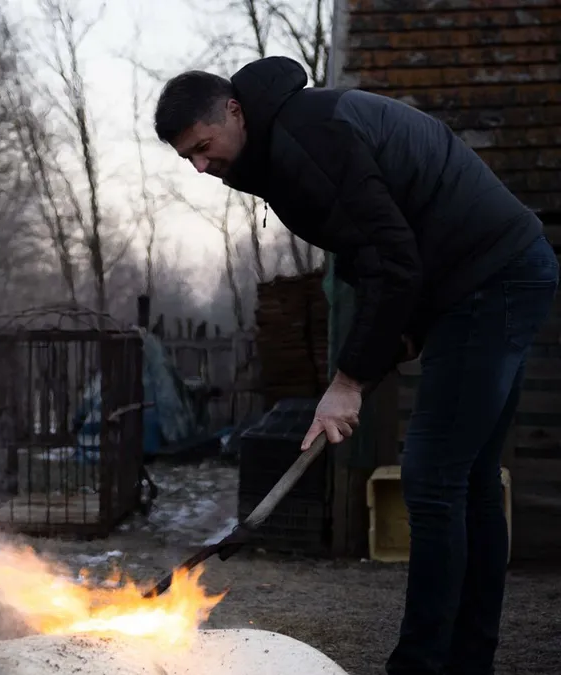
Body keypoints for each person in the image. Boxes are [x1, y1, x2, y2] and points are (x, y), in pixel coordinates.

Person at [152, 56, 558, 675]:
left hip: (488, 278)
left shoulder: (307, 139)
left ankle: (425, 665)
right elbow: (381, 256)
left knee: (433, 480)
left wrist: (347, 381)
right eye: (190, 160)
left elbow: (393, 261)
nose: (203, 168)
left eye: (204, 148)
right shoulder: (289, 140)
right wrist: (383, 355)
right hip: (490, 275)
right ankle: (467, 661)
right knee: (467, 482)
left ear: (234, 111)